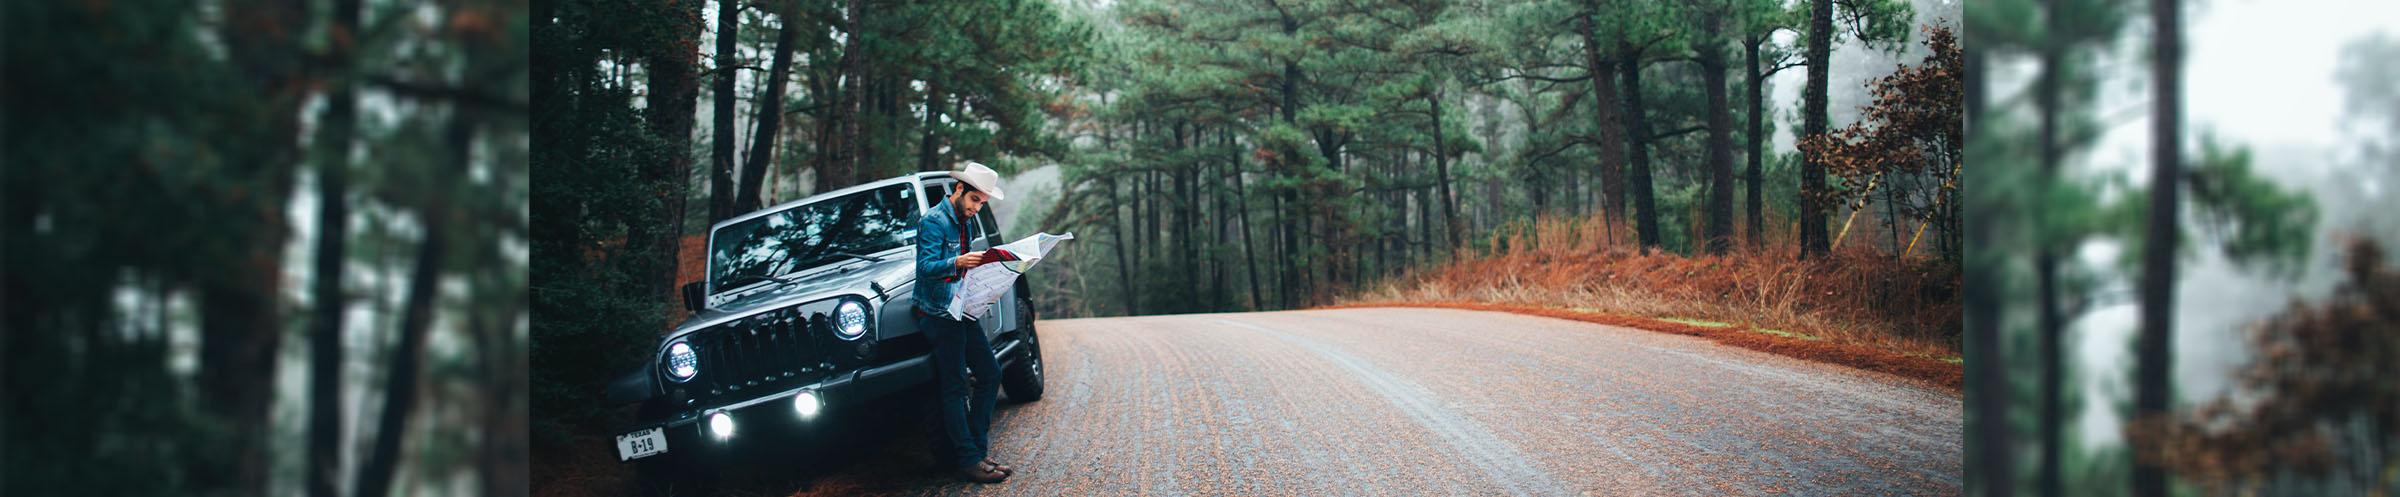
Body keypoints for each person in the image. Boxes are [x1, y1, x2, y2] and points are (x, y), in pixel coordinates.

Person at [913, 161, 1015, 483]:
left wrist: (990, 284)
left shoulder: (964, 222)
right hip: (938, 314)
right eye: (974, 200)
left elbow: (965, 272)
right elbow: (925, 267)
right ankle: (969, 459)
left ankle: (976, 451)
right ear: (959, 189)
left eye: (982, 204)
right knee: (955, 385)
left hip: (962, 308)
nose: (976, 208)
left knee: (990, 373)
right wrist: (957, 261)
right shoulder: (933, 221)